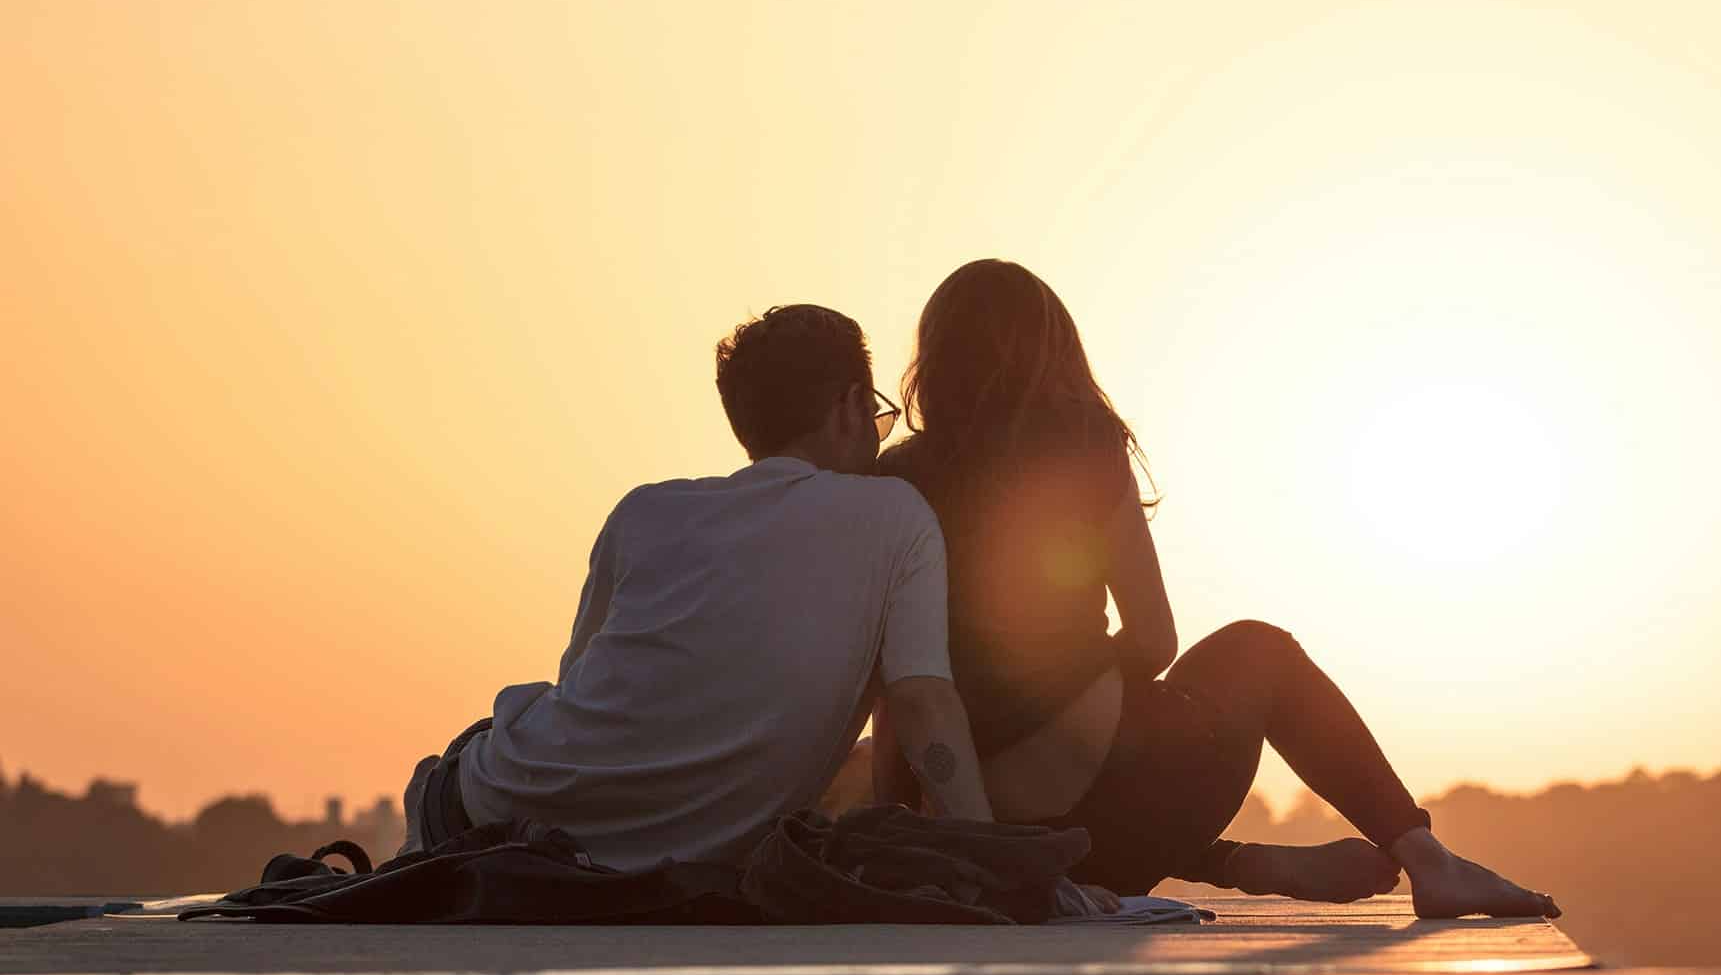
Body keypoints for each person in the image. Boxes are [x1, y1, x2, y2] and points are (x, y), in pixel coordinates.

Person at [873, 260, 1559, 919]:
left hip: (994, 836)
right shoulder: (1084, 446)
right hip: (1116, 806)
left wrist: (905, 828)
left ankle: (1231, 863)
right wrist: (1081, 686)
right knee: (1260, 651)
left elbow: (894, 688)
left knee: (1091, 780)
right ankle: (1427, 861)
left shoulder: (895, 480)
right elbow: (1155, 638)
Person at [398, 303, 1001, 872]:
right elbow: (923, 704)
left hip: (500, 811)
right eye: (875, 414)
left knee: (494, 740)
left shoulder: (645, 513)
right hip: (649, 854)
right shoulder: (896, 514)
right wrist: (994, 860)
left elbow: (586, 691)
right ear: (849, 405)